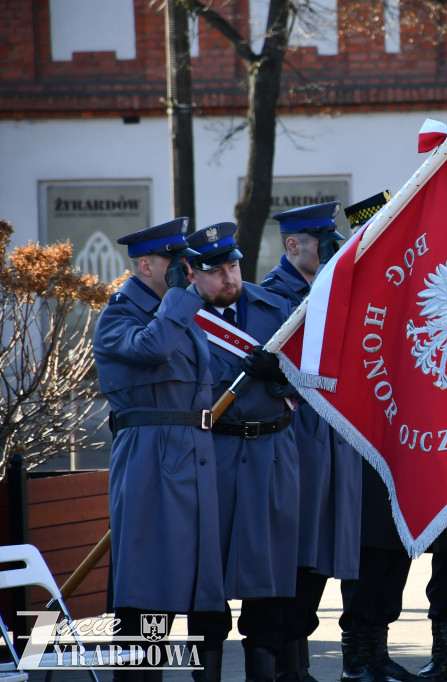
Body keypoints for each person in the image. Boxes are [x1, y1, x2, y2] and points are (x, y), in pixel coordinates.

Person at [93, 217, 226, 681]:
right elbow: (150, 350)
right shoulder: (119, 315)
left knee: (201, 589)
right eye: (174, 262)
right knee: (148, 587)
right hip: (151, 460)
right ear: (145, 264)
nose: (183, 270)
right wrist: (179, 298)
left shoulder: (178, 311)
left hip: (193, 458)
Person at [184, 221, 301, 682]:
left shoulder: (278, 309)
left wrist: (282, 374)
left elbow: (318, 377)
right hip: (215, 453)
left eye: (233, 266)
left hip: (274, 450)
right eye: (216, 272)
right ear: (193, 274)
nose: (229, 278)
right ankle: (206, 670)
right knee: (206, 574)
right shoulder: (182, 317)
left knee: (270, 573)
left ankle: (264, 671)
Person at [263, 201, 363, 682]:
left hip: (334, 439)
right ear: (293, 245)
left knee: (324, 551)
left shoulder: (334, 290)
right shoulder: (270, 297)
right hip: (297, 439)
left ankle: (298, 658)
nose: (328, 251)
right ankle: (287, 663)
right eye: (321, 243)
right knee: (295, 552)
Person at [332, 191, 419, 682]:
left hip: (402, 443)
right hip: (362, 445)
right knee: (366, 556)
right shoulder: (342, 290)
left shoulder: (402, 294)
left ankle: (378, 650)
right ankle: (355, 658)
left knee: (396, 554)